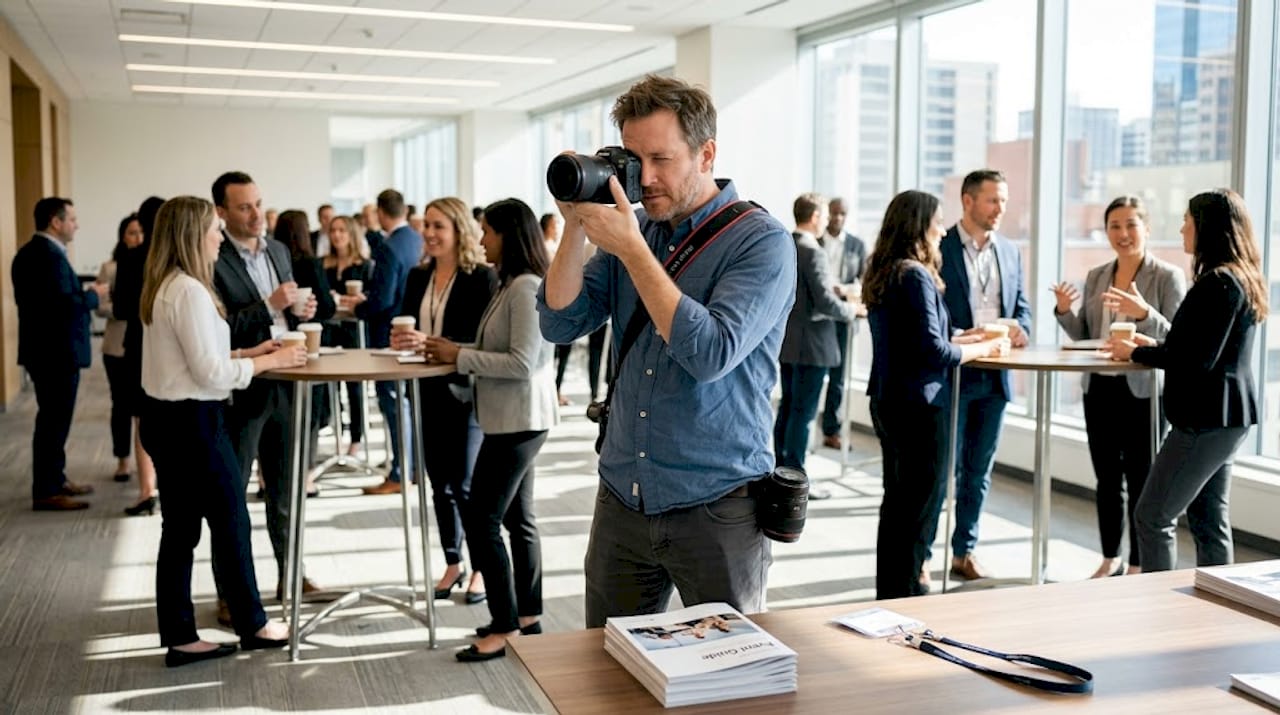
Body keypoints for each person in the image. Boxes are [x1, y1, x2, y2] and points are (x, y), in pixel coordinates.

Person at [539, 74, 796, 627]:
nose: (645, 178)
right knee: (608, 672)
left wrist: (631, 248)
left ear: (706, 154)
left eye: (661, 159)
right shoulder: (640, 229)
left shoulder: (761, 242)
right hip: (623, 497)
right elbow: (559, 322)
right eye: (633, 160)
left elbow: (711, 353)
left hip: (716, 501)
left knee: (733, 679)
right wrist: (576, 226)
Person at [138, 195, 303, 667]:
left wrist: (251, 354)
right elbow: (208, 374)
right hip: (193, 423)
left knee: (181, 531)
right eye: (213, 229)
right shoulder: (189, 290)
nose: (218, 237)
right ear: (193, 235)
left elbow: (193, 362)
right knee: (231, 522)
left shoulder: (165, 285)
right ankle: (254, 623)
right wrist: (272, 360)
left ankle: (181, 635)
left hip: (168, 419)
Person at [413, 198, 558, 661]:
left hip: (519, 419)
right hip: (511, 417)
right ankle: (527, 614)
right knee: (518, 519)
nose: (480, 240)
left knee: (483, 519)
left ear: (507, 236)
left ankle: (504, 625)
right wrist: (453, 347)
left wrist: (458, 357)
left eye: (487, 232)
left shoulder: (525, 287)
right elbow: (494, 347)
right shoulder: (509, 284)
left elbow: (521, 363)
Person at [1108, 188, 1266, 572]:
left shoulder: (1218, 283)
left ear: (1206, 228)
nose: (1181, 230)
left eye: (1187, 221)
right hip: (1228, 418)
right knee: (1209, 521)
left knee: (1152, 517)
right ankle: (1218, 610)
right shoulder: (1239, 279)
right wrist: (1157, 344)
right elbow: (1199, 348)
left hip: (1204, 420)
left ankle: (1161, 609)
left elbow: (1195, 360)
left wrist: (1137, 352)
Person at [863, 190, 1010, 600]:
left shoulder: (885, 268)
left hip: (889, 400)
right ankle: (907, 595)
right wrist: (983, 349)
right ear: (918, 225)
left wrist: (966, 335)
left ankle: (892, 594)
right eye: (936, 221)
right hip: (919, 406)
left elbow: (916, 338)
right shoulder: (914, 275)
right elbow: (933, 351)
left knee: (897, 505)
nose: (942, 229)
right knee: (919, 508)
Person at [1051, 196, 1186, 578]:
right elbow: (1085, 335)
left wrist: (1146, 313)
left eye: (1131, 225)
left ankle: (1140, 562)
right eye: (1114, 226)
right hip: (1100, 390)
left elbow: (1178, 337)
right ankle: (1111, 557)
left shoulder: (1166, 276)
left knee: (1143, 479)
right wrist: (1064, 312)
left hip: (1143, 392)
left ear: (1146, 228)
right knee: (1107, 479)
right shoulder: (1097, 275)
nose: (1123, 234)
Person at [210, 171, 323, 624]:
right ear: (221, 213)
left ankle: (290, 576)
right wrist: (272, 306)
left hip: (288, 383)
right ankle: (230, 592)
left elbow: (285, 311)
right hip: (243, 386)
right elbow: (218, 330)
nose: (257, 214)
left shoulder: (277, 250)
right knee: (231, 495)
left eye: (258, 203)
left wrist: (299, 310)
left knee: (286, 490)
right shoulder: (212, 258)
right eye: (244, 207)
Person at [389, 197, 497, 605]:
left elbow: (485, 343)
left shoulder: (480, 278)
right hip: (426, 388)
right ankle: (453, 561)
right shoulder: (419, 277)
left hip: (467, 392)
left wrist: (436, 345)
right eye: (427, 227)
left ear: (458, 231)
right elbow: (403, 322)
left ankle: (482, 567)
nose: (430, 234)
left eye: (439, 227)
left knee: (466, 483)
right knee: (438, 483)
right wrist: (402, 339)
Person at [930, 169, 1032, 583]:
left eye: (1004, 202)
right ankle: (923, 551)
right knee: (942, 467)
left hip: (996, 377)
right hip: (953, 371)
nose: (1000, 210)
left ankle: (964, 551)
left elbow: (1022, 305)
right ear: (968, 201)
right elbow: (931, 313)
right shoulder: (940, 247)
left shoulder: (1009, 251)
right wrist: (963, 336)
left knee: (979, 470)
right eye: (993, 201)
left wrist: (1021, 326)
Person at [13, 197, 109, 511]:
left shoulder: (32, 253)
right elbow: (61, 308)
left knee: (54, 419)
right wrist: (93, 297)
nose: (76, 225)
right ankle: (47, 489)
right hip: (55, 353)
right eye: (72, 219)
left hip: (45, 352)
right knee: (54, 421)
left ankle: (56, 477)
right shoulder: (48, 257)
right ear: (56, 221)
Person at [342, 189, 423, 495]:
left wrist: (357, 307)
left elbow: (382, 299)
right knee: (403, 404)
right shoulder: (415, 239)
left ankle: (400, 471)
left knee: (393, 403)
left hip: (388, 334)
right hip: (409, 330)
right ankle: (410, 466)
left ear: (380, 212)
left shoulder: (389, 248)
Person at [774, 192, 855, 471]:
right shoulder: (814, 251)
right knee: (804, 414)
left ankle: (779, 471)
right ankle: (795, 477)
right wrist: (850, 311)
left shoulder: (784, 244)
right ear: (816, 216)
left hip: (787, 341)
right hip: (812, 346)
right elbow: (823, 301)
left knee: (787, 407)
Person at [274, 209, 337, 487]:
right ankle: (306, 476)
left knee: (281, 415)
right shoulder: (310, 263)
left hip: (276, 345)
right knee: (310, 414)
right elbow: (326, 306)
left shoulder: (272, 262)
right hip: (309, 344)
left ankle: (269, 477)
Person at [112, 197, 164, 516]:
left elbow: (119, 310)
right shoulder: (177, 260)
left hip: (138, 346)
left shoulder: (132, 259)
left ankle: (147, 490)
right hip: (170, 345)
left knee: (142, 419)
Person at [97, 214, 144, 485]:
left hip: (142, 345)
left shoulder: (149, 265)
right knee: (121, 405)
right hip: (116, 345)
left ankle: (145, 462)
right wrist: (125, 310)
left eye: (140, 233)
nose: (137, 238)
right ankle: (122, 460)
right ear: (122, 236)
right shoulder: (111, 267)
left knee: (143, 409)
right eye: (131, 233)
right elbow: (102, 306)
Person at [819, 196, 868, 450]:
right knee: (815, 375)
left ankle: (831, 430)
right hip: (816, 319)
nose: (837, 218)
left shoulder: (856, 245)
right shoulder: (813, 241)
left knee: (838, 378)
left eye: (842, 214)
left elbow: (864, 282)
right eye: (834, 213)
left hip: (844, 318)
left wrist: (843, 289)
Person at [322, 213, 371, 456]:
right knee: (332, 384)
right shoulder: (324, 264)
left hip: (354, 331)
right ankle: (339, 432)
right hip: (330, 329)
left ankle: (356, 437)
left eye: (342, 230)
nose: (337, 235)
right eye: (333, 230)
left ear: (351, 233)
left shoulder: (364, 265)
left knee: (354, 385)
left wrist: (358, 300)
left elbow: (370, 299)